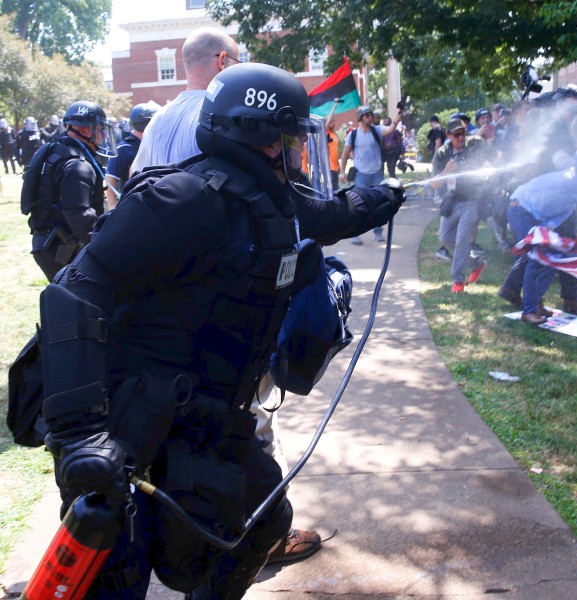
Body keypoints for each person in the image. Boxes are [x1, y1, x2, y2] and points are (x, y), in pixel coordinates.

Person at [36, 62, 405, 599]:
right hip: (128, 424)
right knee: (115, 565)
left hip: (208, 419)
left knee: (262, 520)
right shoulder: (184, 199)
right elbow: (72, 291)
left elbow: (325, 215)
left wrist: (378, 198)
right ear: (260, 139)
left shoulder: (266, 197)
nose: (299, 152)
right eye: (290, 139)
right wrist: (78, 436)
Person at [129, 29, 324, 566]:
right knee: (249, 414)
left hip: (161, 309)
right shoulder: (228, 123)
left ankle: (177, 526)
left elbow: (126, 192)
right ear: (222, 62)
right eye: (239, 62)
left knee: (167, 423)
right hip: (223, 305)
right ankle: (258, 530)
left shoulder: (160, 121)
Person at [500, 145, 577, 323]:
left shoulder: (576, 183)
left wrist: (549, 233)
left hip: (536, 216)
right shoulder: (573, 180)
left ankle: (535, 304)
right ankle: (529, 311)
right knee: (537, 257)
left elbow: (560, 214)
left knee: (553, 258)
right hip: (521, 210)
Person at [21, 101, 115, 281]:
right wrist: (102, 245)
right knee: (83, 303)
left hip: (49, 243)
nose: (103, 136)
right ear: (86, 129)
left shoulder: (57, 149)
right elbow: (78, 214)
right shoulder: (78, 165)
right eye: (101, 129)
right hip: (61, 249)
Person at [130, 26, 240, 174]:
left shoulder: (157, 118)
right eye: (237, 63)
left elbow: (135, 174)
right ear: (221, 61)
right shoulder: (226, 114)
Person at [431, 118, 493, 293]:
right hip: (451, 201)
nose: (461, 137)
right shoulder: (442, 154)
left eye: (463, 133)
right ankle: (476, 263)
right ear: (448, 135)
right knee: (445, 238)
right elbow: (434, 185)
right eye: (456, 134)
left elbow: (494, 154)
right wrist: (446, 171)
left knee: (462, 239)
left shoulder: (473, 144)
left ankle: (458, 281)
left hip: (471, 200)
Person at [339, 104, 402, 245]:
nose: (371, 117)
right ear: (360, 118)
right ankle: (354, 234)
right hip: (360, 175)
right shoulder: (353, 135)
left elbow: (390, 129)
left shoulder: (377, 130)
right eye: (367, 115)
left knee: (380, 203)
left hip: (377, 174)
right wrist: (342, 172)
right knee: (356, 205)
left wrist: (396, 120)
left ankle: (378, 232)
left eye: (371, 114)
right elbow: (344, 155)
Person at [105, 102, 159, 209]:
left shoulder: (152, 143)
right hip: (133, 204)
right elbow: (110, 178)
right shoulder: (124, 148)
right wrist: (112, 206)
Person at [325, 98, 341, 189]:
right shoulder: (325, 132)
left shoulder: (334, 135)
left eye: (333, 121)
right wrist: (335, 105)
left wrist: (338, 166)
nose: (332, 123)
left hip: (335, 168)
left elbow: (335, 151)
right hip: (328, 169)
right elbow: (327, 122)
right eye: (331, 121)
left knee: (336, 192)